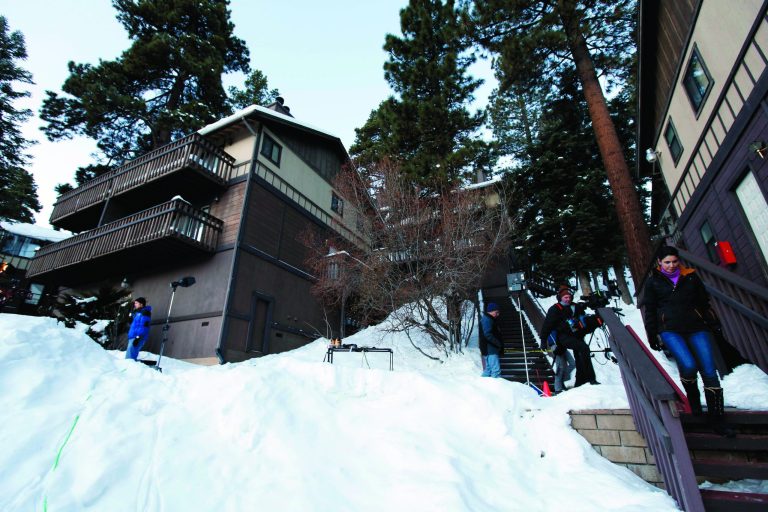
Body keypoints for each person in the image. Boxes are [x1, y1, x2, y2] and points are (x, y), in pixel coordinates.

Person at [642, 245, 732, 436]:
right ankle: (693, 400)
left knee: (709, 370)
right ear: (659, 262)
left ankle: (718, 419)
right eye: (667, 262)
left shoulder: (691, 276)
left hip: (697, 327)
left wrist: (712, 322)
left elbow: (703, 302)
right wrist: (652, 334)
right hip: (670, 329)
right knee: (689, 365)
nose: (671, 265)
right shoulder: (653, 282)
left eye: (674, 261)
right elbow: (650, 310)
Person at [540, 286, 599, 387]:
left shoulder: (575, 306)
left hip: (577, 335)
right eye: (565, 298)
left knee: (579, 355)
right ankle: (591, 379)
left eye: (569, 297)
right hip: (563, 336)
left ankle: (580, 381)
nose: (568, 299)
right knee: (583, 348)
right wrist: (543, 340)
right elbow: (547, 326)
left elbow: (583, 319)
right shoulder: (555, 309)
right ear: (560, 298)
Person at [542, 328, 576, 394]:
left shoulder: (561, 324)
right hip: (555, 345)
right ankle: (557, 388)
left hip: (563, 345)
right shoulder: (550, 324)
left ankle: (561, 381)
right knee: (560, 367)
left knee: (572, 363)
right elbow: (544, 334)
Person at [479, 302, 503, 378]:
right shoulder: (487, 320)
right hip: (490, 349)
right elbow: (487, 334)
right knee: (496, 371)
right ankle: (496, 388)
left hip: (487, 349)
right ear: (491, 311)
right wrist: (498, 343)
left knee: (488, 370)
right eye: (496, 312)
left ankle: (482, 386)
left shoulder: (487, 319)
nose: (498, 314)